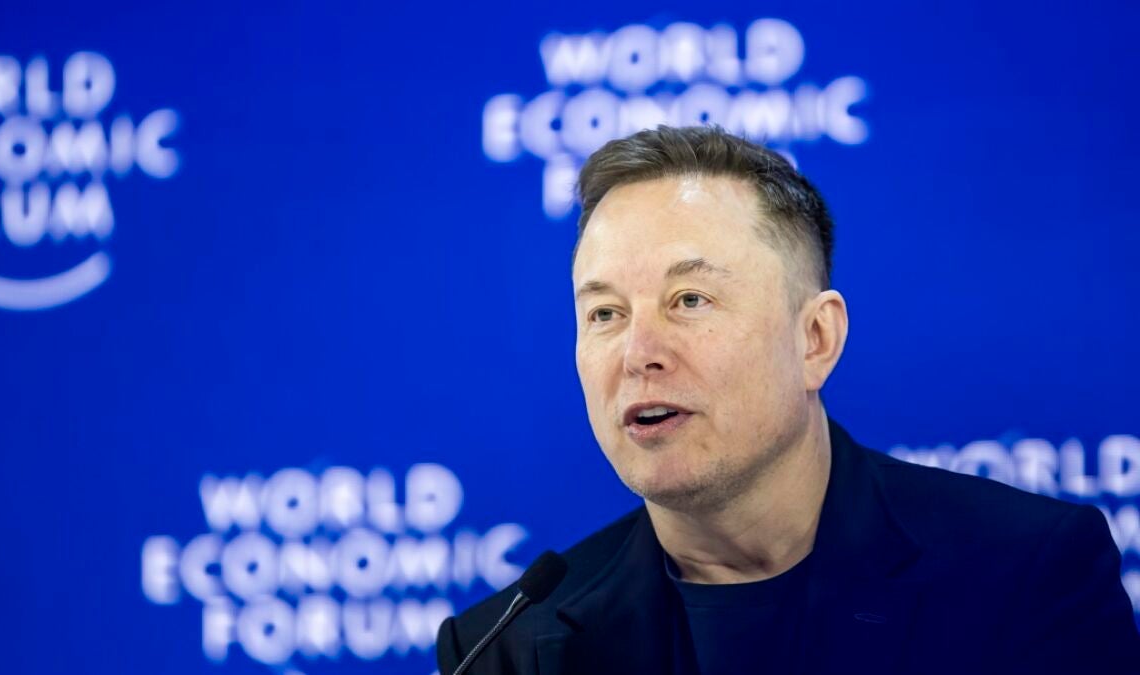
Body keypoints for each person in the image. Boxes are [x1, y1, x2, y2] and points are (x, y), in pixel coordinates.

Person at [435, 126, 1139, 674]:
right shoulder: (506, 647)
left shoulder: (1022, 577)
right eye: (604, 313)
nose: (637, 351)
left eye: (689, 299)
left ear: (815, 339)